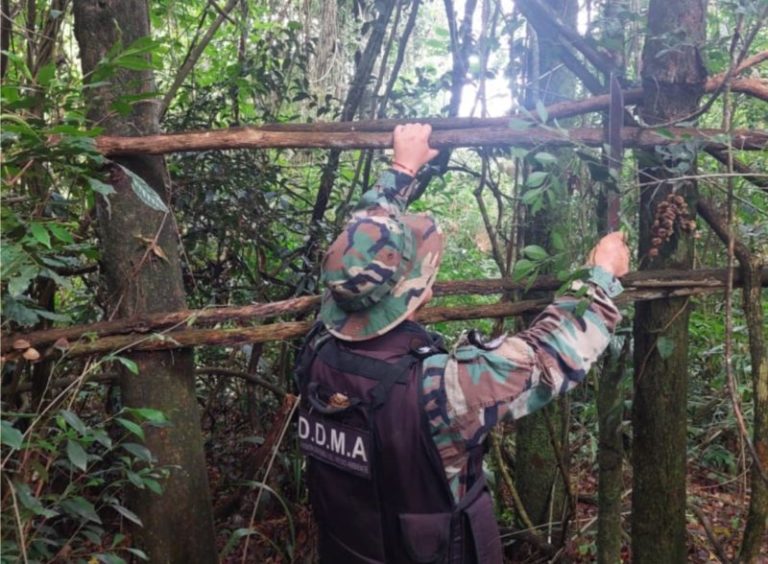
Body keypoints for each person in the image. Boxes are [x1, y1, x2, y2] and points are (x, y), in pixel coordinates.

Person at [295, 123, 629, 563]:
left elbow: (360, 262)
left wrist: (401, 170)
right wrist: (601, 278)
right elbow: (550, 354)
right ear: (419, 292)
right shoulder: (440, 389)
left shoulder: (316, 352)